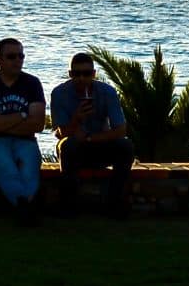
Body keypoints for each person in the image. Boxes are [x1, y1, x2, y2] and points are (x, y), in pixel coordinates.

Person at [0, 38, 48, 224]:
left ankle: (23, 207)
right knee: (7, 169)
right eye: (11, 56)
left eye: (21, 56)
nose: (17, 61)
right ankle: (25, 207)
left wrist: (2, 123)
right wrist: (22, 116)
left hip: (26, 141)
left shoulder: (32, 83)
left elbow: (38, 124)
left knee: (29, 170)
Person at [50, 52, 134, 218]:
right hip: (75, 148)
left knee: (126, 146)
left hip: (100, 144)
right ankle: (68, 206)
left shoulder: (107, 92)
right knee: (67, 145)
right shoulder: (60, 93)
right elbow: (61, 133)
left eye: (86, 73)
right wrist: (76, 119)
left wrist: (90, 138)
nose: (82, 78)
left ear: (94, 74)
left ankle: (115, 203)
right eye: (77, 74)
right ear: (70, 74)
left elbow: (121, 130)